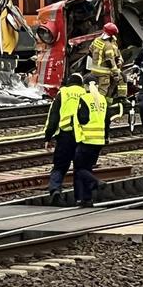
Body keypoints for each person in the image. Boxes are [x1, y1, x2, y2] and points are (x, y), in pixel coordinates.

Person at [43, 73, 87, 201]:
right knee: (80, 167)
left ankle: (55, 189)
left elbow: (53, 117)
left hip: (64, 136)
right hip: (81, 137)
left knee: (59, 166)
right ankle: (80, 196)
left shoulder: (63, 93)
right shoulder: (86, 94)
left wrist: (48, 137)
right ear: (81, 83)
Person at [70, 74, 112, 207]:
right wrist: (106, 137)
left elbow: (82, 119)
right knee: (87, 168)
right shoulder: (103, 100)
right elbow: (107, 121)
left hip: (86, 139)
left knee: (79, 169)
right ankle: (87, 199)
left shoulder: (84, 99)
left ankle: (96, 182)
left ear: (86, 86)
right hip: (99, 141)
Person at [87, 22, 124, 99]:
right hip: (104, 73)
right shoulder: (108, 45)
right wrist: (116, 72)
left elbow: (90, 51)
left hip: (94, 71)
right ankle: (103, 107)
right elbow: (110, 61)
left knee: (93, 90)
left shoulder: (96, 40)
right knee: (102, 92)